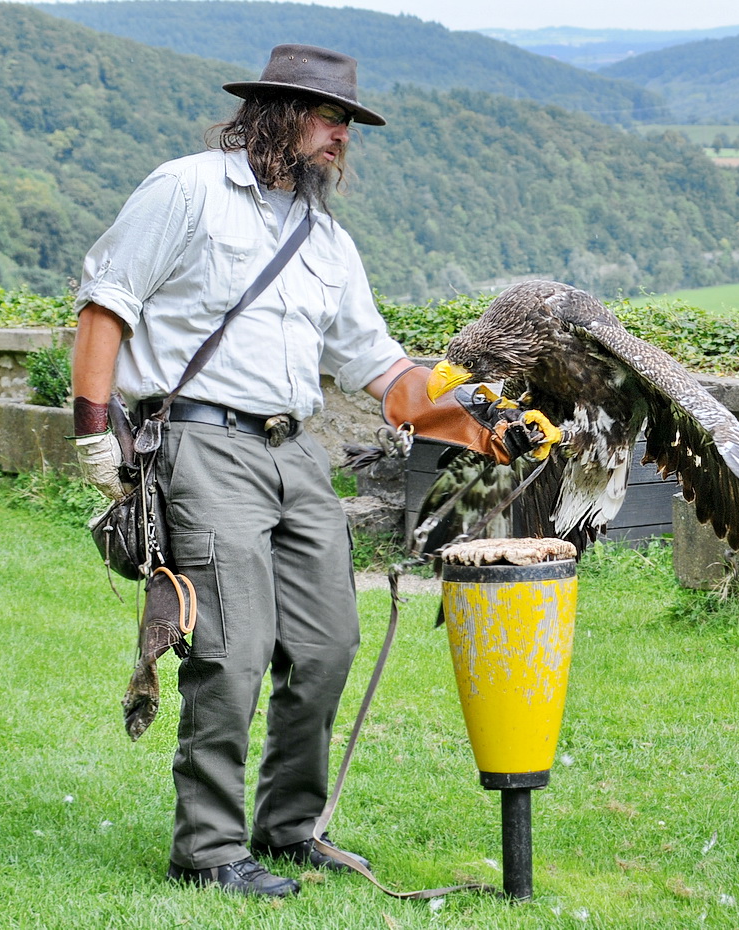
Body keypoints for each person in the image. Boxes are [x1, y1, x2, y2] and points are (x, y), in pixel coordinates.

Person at [70, 45, 554, 898]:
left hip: (297, 451)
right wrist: (93, 432)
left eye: (348, 124)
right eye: (331, 119)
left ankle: (289, 828)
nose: (342, 138)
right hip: (202, 439)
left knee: (328, 644)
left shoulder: (326, 240)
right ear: (280, 114)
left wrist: (487, 422)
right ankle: (208, 851)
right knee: (231, 647)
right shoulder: (186, 190)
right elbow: (107, 303)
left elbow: (386, 372)